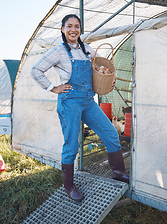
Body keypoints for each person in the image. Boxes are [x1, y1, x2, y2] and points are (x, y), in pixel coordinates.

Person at [31, 14, 129, 202]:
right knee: (71, 145)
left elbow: (102, 65)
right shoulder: (58, 51)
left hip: (88, 101)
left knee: (110, 133)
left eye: (77, 26)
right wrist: (53, 87)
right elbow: (36, 70)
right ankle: (69, 186)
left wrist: (109, 76)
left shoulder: (87, 50)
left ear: (80, 29)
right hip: (70, 102)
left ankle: (119, 172)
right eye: (69, 26)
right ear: (63, 29)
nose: (73, 30)